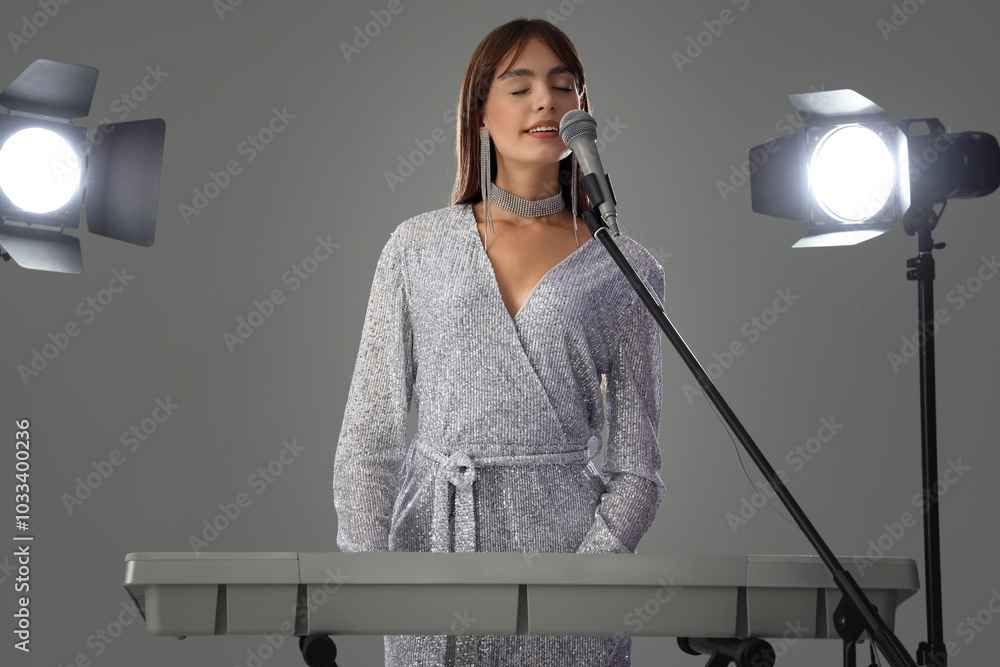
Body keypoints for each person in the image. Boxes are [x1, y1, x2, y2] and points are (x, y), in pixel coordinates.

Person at [333, 17, 666, 667]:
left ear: (582, 110)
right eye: (520, 86)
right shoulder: (416, 247)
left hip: (569, 564)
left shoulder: (625, 265)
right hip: (432, 551)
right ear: (478, 110)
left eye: (563, 85)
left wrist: (582, 583)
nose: (546, 100)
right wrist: (374, 579)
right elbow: (369, 434)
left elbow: (638, 470)